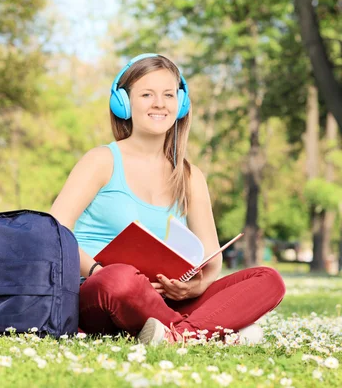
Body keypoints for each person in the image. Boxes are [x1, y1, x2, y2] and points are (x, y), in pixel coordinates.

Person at [50, 53, 285, 345]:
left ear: (181, 103)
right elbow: (55, 232)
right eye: (147, 94)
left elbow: (212, 259)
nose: (159, 103)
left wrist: (194, 286)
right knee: (120, 278)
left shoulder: (190, 175)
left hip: (164, 302)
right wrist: (98, 269)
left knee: (268, 279)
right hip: (101, 291)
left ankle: (175, 335)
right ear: (123, 103)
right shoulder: (101, 161)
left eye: (168, 94)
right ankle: (209, 333)